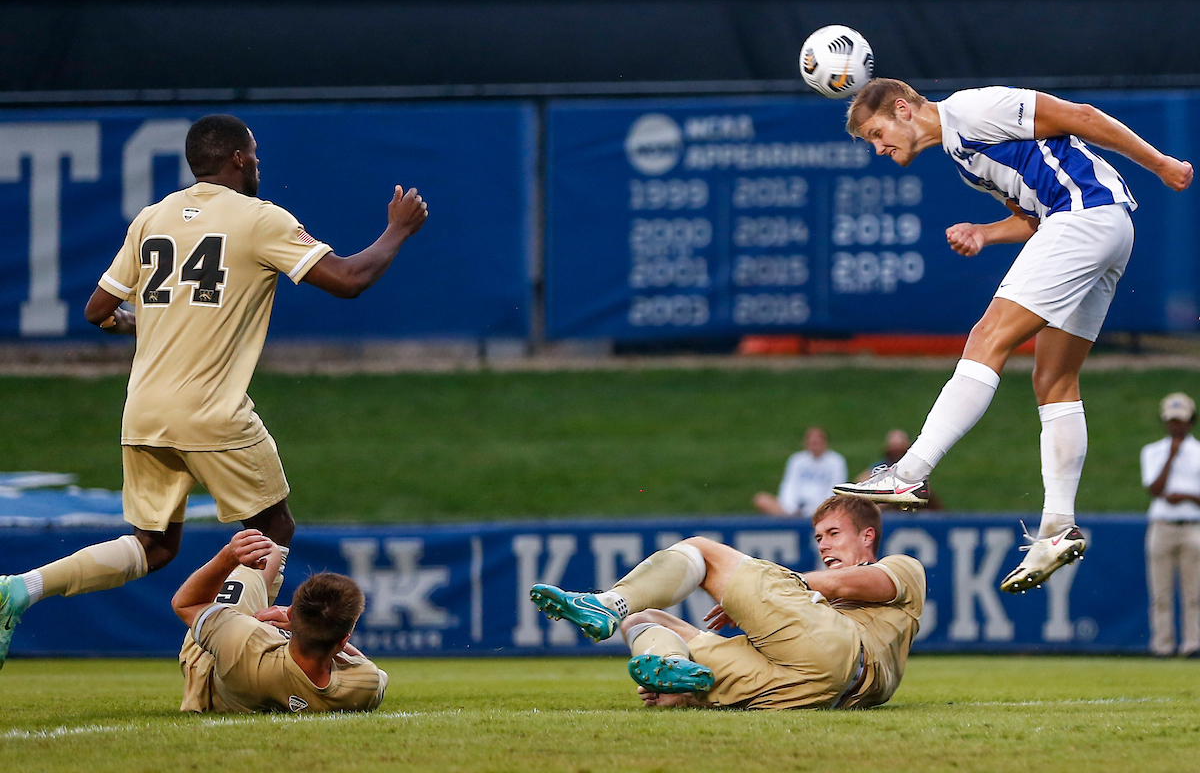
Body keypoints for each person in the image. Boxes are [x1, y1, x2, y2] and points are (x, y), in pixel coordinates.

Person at [0, 114, 429, 668]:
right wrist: (397, 229)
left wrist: (143, 322)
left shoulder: (151, 219)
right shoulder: (259, 219)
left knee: (154, 545)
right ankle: (229, 656)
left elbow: (98, 310)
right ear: (238, 160)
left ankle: (20, 588)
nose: (258, 163)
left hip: (144, 411)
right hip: (210, 412)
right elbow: (348, 280)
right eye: (254, 154)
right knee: (272, 528)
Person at [831, 78, 1193, 594]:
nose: (878, 147)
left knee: (987, 337)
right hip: (1104, 226)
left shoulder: (974, 109)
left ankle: (909, 471)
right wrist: (987, 231)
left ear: (903, 108)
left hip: (1085, 217)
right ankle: (1057, 526)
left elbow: (1081, 116)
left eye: (876, 132)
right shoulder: (962, 153)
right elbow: (1031, 218)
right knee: (1054, 379)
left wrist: (1159, 163)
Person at [531, 494, 925, 709]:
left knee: (702, 551)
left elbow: (853, 583)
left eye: (834, 533)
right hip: (812, 691)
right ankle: (674, 670)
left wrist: (789, 585)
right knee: (646, 619)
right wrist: (680, 698)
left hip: (843, 652)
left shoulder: (905, 568)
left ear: (868, 536)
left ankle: (608, 603)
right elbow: (832, 589)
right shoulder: (819, 599)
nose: (824, 545)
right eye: (819, 537)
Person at [173, 528, 387, 713]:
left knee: (269, 550)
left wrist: (227, 556)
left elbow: (187, 605)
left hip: (208, 665)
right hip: (254, 660)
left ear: (292, 613)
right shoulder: (363, 686)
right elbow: (370, 669)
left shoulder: (246, 640)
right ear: (343, 641)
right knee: (269, 551)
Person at [1140, 392, 1200, 657]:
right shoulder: (1153, 451)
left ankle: (1192, 644)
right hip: (1162, 525)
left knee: (1194, 592)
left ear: (1191, 422)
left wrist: (1185, 496)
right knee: (1160, 592)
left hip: (1193, 525)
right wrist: (1171, 456)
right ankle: (1162, 645)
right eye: (1172, 421)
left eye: (1181, 421)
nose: (1176, 426)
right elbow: (1155, 488)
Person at [753, 426, 848, 517]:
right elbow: (789, 484)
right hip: (794, 508)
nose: (814, 445)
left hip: (821, 507)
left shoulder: (836, 461)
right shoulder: (797, 460)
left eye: (817, 442)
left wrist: (813, 509)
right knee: (761, 499)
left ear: (824, 442)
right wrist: (790, 507)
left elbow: (835, 489)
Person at [856, 429, 943, 511]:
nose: (896, 451)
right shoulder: (878, 469)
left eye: (900, 446)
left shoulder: (915, 470)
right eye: (893, 447)